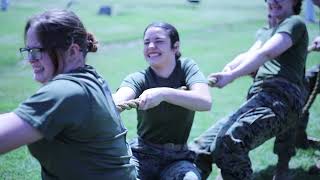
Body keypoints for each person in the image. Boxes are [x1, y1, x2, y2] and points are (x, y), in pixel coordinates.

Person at [0, 9, 136, 180]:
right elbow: (18, 119)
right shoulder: (91, 79)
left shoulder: (66, 92)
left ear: (72, 51)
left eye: (37, 51)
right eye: (29, 51)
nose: (31, 59)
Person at [189, 0, 308, 179]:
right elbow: (250, 54)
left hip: (282, 96)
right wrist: (227, 70)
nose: (273, 1)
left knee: (231, 142)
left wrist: (231, 76)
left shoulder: (294, 22)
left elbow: (267, 53)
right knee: (199, 148)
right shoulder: (268, 31)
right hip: (260, 96)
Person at [112, 22, 212, 180]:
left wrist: (163, 93)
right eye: (146, 42)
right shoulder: (138, 78)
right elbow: (117, 101)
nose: (151, 46)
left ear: (175, 46)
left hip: (178, 158)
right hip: (142, 155)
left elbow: (205, 102)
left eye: (158, 41)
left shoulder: (186, 68)